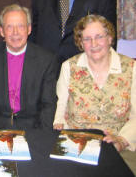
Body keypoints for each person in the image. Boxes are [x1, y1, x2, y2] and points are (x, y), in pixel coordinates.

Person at [53, 15, 136, 175]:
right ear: (80, 43)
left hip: (119, 147)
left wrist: (121, 141)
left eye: (99, 37)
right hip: (76, 146)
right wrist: (62, 130)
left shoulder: (131, 68)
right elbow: (61, 107)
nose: (94, 44)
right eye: (87, 39)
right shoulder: (69, 67)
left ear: (110, 38)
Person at [0, 4, 58, 129]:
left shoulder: (46, 60)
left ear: (29, 29)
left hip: (31, 129)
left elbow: (48, 106)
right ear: (1, 31)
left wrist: (42, 138)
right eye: (9, 27)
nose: (15, 32)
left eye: (20, 26)